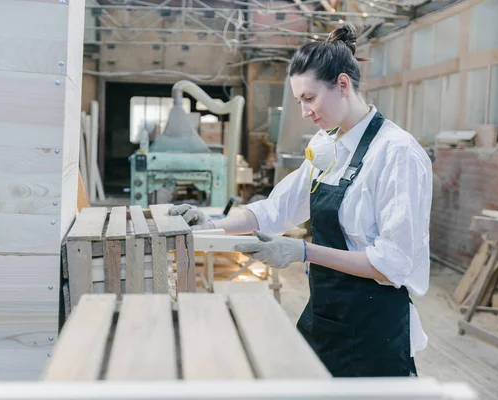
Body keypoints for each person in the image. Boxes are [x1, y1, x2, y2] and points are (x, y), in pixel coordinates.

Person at [169, 24, 432, 378]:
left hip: (374, 331)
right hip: (327, 318)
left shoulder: (397, 153)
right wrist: (211, 223)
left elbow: (392, 264)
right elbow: (275, 209)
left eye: (309, 98)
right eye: (299, 102)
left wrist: (303, 252)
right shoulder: (328, 148)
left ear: (342, 84)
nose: (305, 112)